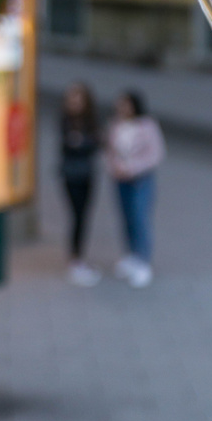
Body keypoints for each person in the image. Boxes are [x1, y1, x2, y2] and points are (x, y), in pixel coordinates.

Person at [106, 91, 165, 288]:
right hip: (121, 178)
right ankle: (131, 255)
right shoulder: (116, 125)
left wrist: (133, 168)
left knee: (140, 216)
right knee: (126, 217)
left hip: (140, 179)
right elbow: (111, 150)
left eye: (126, 105)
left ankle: (143, 260)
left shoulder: (147, 125)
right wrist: (116, 167)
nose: (122, 109)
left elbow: (155, 154)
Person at [59, 82, 101, 286]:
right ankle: (75, 258)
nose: (74, 103)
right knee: (76, 215)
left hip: (86, 174)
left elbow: (92, 144)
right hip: (71, 174)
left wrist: (82, 142)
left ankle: (79, 256)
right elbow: (71, 146)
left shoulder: (89, 121)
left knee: (84, 215)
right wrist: (84, 143)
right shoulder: (66, 120)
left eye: (78, 99)